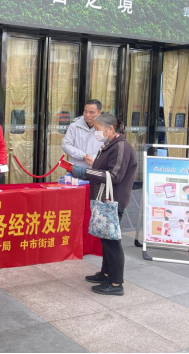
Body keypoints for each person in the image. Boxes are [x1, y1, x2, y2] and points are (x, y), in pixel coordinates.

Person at [72, 114, 137, 297]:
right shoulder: (110, 144)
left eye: (98, 129)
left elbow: (114, 176)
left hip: (113, 200)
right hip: (104, 198)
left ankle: (116, 283)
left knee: (112, 242)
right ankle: (106, 273)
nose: (96, 132)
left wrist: (85, 172)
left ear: (110, 129)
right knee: (106, 238)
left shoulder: (121, 147)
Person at [62, 100, 104, 168]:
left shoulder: (105, 128)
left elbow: (108, 148)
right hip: (76, 168)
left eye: (91, 112)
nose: (87, 115)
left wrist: (94, 158)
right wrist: (83, 156)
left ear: (99, 112)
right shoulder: (74, 126)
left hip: (96, 168)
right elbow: (66, 145)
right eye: (85, 111)